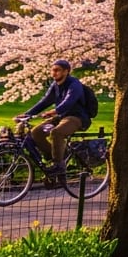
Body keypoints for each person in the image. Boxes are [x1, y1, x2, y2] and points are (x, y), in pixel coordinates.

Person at [18, 59, 92, 188]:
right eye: (52, 70)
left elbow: (69, 101)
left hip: (76, 117)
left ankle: (59, 165)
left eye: (57, 70)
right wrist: (27, 114)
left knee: (57, 132)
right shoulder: (55, 85)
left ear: (66, 71)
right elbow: (44, 101)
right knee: (36, 132)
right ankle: (56, 157)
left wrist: (54, 111)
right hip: (61, 116)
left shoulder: (74, 84)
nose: (54, 73)